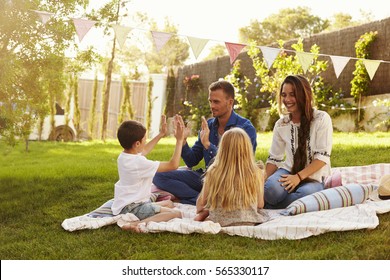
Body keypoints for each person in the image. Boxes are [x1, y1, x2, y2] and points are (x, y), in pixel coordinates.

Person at [152, 80, 257, 205]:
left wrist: (208, 145)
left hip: (232, 182)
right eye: (210, 101)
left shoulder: (245, 128)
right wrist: (182, 141)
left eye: (216, 101)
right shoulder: (210, 125)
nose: (212, 105)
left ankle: (197, 200)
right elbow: (192, 161)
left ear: (230, 102)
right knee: (158, 175)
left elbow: (238, 163)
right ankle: (201, 200)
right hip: (207, 178)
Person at [264, 74, 333, 209]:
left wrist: (298, 178)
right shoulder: (281, 124)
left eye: (292, 94)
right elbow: (274, 158)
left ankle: (269, 205)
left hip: (314, 176)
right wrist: (261, 182)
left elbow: (322, 157)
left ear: (303, 95)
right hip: (288, 170)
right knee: (271, 191)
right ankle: (272, 200)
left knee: (304, 194)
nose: (287, 99)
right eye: (284, 95)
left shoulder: (321, 118)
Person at [111, 115, 185, 232]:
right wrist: (180, 140)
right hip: (134, 208)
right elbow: (173, 165)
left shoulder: (124, 156)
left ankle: (144, 217)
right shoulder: (139, 163)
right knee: (175, 213)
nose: (146, 142)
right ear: (137, 144)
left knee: (169, 203)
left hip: (126, 204)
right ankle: (137, 224)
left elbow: (143, 150)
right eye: (145, 139)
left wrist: (161, 134)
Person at [194, 128, 266, 226]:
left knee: (208, 209)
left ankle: (208, 213)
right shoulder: (257, 172)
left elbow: (201, 203)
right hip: (248, 221)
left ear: (222, 149)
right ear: (247, 148)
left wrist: (204, 210)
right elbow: (260, 205)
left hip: (220, 221)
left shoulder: (214, 171)